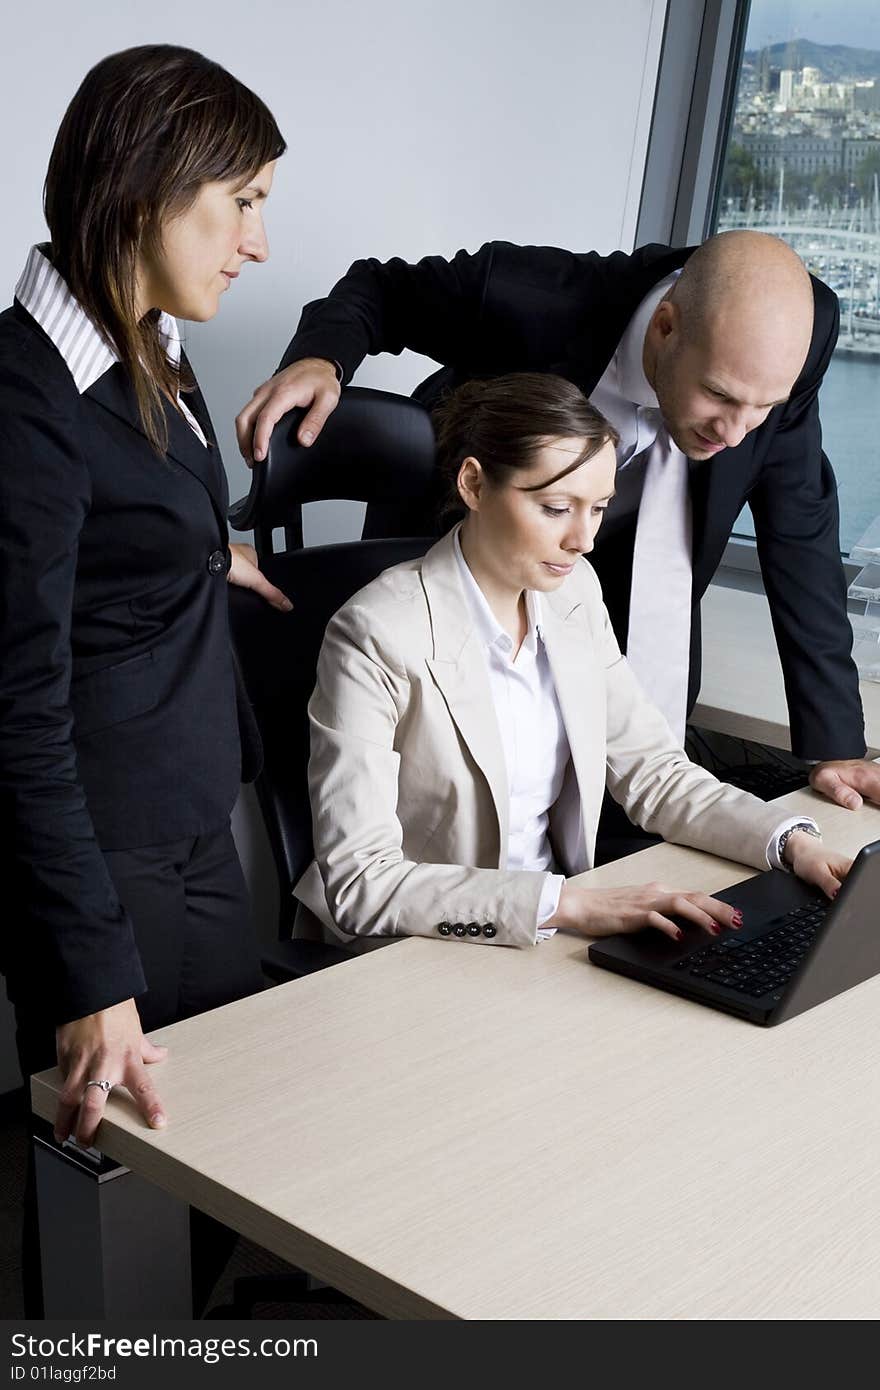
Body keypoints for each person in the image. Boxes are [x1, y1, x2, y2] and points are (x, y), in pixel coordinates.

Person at [235, 231, 880, 816]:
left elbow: (802, 529)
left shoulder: (796, 337)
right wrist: (323, 358)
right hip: (454, 557)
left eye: (761, 407)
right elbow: (383, 287)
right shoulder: (533, 300)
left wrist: (836, 744)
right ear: (664, 329)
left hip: (613, 602)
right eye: (719, 395)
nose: (736, 432)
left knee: (638, 794)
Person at [0, 45, 288, 1311]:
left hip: (190, 817)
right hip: (107, 862)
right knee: (121, 1211)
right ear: (142, 192)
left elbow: (125, 518)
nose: (258, 242)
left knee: (238, 1163)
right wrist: (87, 973)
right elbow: (12, 710)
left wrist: (198, 552)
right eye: (240, 202)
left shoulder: (149, 341)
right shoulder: (28, 404)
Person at [293, 373, 849, 951]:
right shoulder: (376, 632)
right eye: (557, 508)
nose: (583, 539)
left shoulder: (574, 591)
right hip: (411, 945)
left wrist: (790, 844)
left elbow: (655, 772)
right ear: (475, 485)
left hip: (547, 932)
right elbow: (362, 882)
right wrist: (571, 904)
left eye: (599, 508)